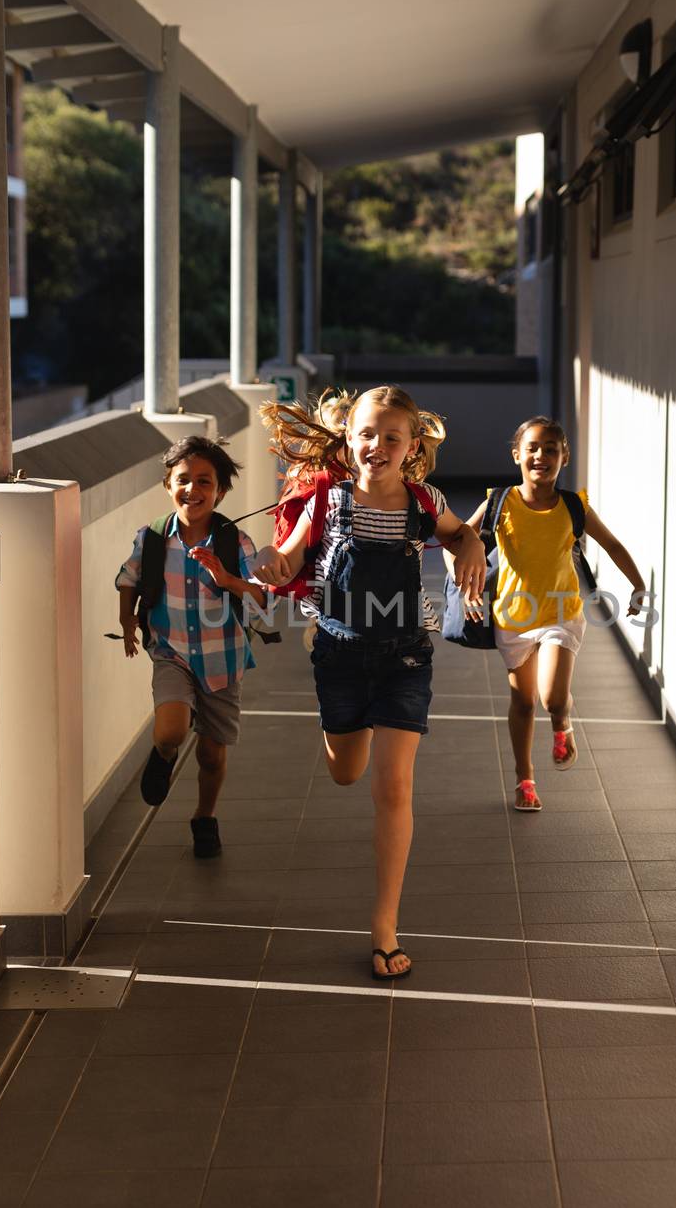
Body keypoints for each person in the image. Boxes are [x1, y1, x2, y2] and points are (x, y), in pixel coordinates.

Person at [251, 385, 487, 978]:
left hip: (407, 655)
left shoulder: (425, 500)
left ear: (410, 447)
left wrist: (471, 545)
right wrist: (272, 562)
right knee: (344, 771)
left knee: (395, 789)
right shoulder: (326, 500)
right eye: (367, 434)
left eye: (391, 437)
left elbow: (459, 532)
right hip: (340, 655)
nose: (377, 445)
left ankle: (385, 926)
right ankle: (337, 733)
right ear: (348, 439)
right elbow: (288, 553)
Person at [453, 416, 647, 811]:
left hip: (561, 613)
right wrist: (467, 588)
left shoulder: (574, 506)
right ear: (517, 455)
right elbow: (457, 539)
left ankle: (562, 722)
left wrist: (638, 584)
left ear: (564, 457)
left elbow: (612, 545)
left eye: (551, 449)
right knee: (522, 702)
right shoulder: (498, 502)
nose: (542, 455)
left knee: (552, 697)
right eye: (533, 448)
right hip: (512, 617)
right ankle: (525, 780)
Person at [116, 435, 266, 858]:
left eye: (205, 482)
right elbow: (128, 580)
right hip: (171, 652)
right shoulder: (151, 539)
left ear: (219, 491)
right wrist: (127, 621)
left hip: (223, 658)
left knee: (212, 756)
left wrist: (228, 579)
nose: (193, 490)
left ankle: (204, 816)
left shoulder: (234, 543)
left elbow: (263, 596)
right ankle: (162, 756)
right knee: (171, 730)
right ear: (168, 485)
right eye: (184, 479)